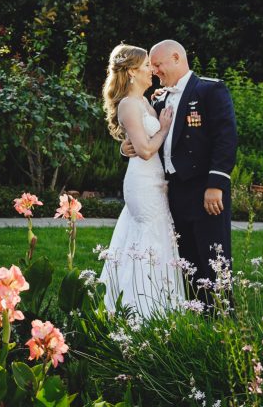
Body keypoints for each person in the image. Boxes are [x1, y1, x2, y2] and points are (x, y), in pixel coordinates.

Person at [122, 40, 236, 306]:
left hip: (205, 189)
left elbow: (225, 138)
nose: (155, 71)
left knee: (213, 257)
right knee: (184, 259)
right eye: (152, 66)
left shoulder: (210, 90)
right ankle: (195, 315)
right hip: (172, 190)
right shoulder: (159, 98)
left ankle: (222, 317)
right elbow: (147, 136)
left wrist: (216, 184)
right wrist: (125, 147)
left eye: (158, 65)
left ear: (176, 58)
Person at [97, 44, 185, 317]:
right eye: (147, 65)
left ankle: (161, 304)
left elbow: (142, 139)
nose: (152, 70)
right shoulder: (127, 105)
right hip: (142, 182)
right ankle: (140, 309)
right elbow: (146, 150)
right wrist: (165, 127)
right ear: (133, 72)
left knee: (158, 235)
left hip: (156, 181)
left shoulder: (146, 102)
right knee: (148, 236)